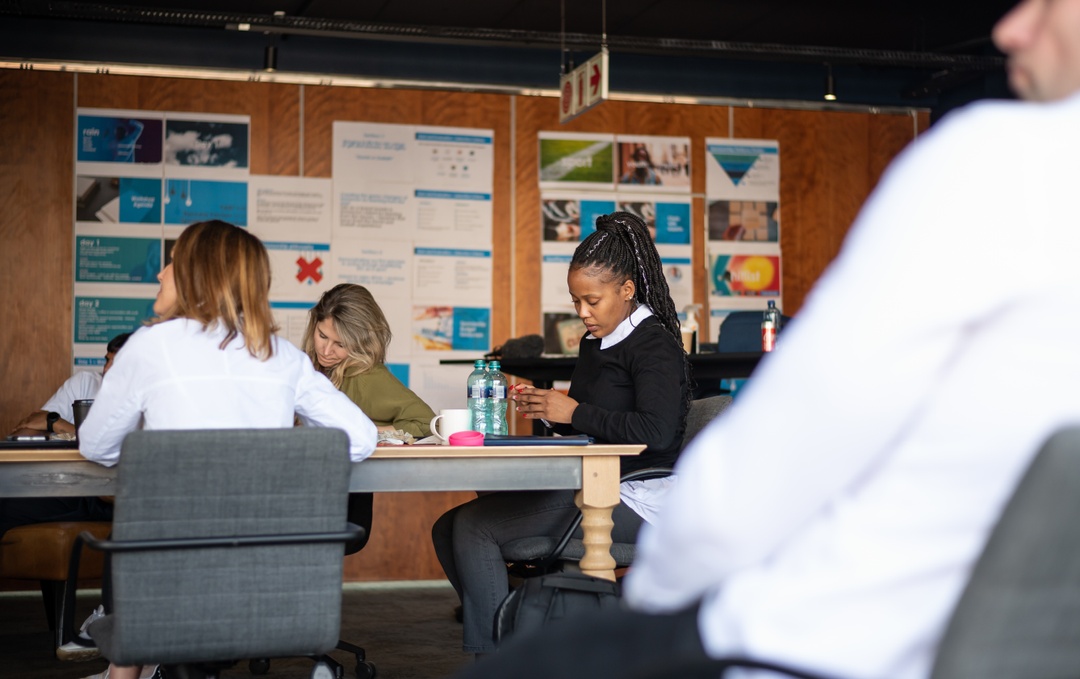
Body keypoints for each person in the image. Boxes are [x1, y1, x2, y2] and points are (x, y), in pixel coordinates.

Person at [451, 2, 1080, 678]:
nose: (1010, 29)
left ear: (627, 289)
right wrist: (554, 411)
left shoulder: (999, 159)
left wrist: (662, 593)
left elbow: (779, 437)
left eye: (1050, 3)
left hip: (769, 599)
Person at [76, 220, 378, 679]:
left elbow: (97, 446)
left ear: (198, 274)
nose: (160, 274)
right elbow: (361, 438)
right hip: (262, 581)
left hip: (166, 585)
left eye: (171, 263)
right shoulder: (282, 357)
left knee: (141, 564)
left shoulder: (149, 347)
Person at [432, 211, 690, 657]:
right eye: (576, 301)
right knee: (446, 528)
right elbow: (589, 419)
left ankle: (496, 661)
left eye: (592, 300)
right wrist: (551, 411)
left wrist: (575, 411)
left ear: (627, 290)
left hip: (639, 498)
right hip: (592, 479)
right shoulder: (597, 341)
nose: (582, 313)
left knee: (474, 528)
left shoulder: (655, 345)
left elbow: (659, 432)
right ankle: (522, 629)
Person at [302, 283, 436, 438]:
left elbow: (427, 423)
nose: (326, 351)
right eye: (322, 336)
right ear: (314, 324)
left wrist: (367, 431)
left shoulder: (364, 375)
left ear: (361, 343)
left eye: (341, 344)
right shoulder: (302, 364)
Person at [8, 332, 131, 438]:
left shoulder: (140, 401)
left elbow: (107, 446)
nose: (106, 368)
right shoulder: (84, 382)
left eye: (116, 363)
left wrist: (55, 424)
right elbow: (37, 423)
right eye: (107, 360)